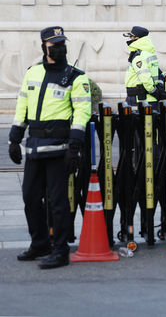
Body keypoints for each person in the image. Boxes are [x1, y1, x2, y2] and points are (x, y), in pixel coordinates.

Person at [8, 26, 91, 269]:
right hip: (34, 147)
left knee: (58, 202)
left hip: (60, 148)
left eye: (62, 43)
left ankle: (61, 250)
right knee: (30, 198)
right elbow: (22, 103)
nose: (59, 48)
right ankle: (40, 243)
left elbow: (82, 112)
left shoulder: (76, 77)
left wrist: (75, 146)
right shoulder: (32, 73)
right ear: (43, 47)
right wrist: (14, 138)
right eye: (54, 44)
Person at [124, 26, 166, 107]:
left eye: (131, 37)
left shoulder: (138, 56)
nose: (129, 39)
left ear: (137, 38)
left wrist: (154, 92)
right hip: (148, 99)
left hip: (140, 99)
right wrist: (157, 92)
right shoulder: (148, 53)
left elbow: (146, 78)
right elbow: (159, 74)